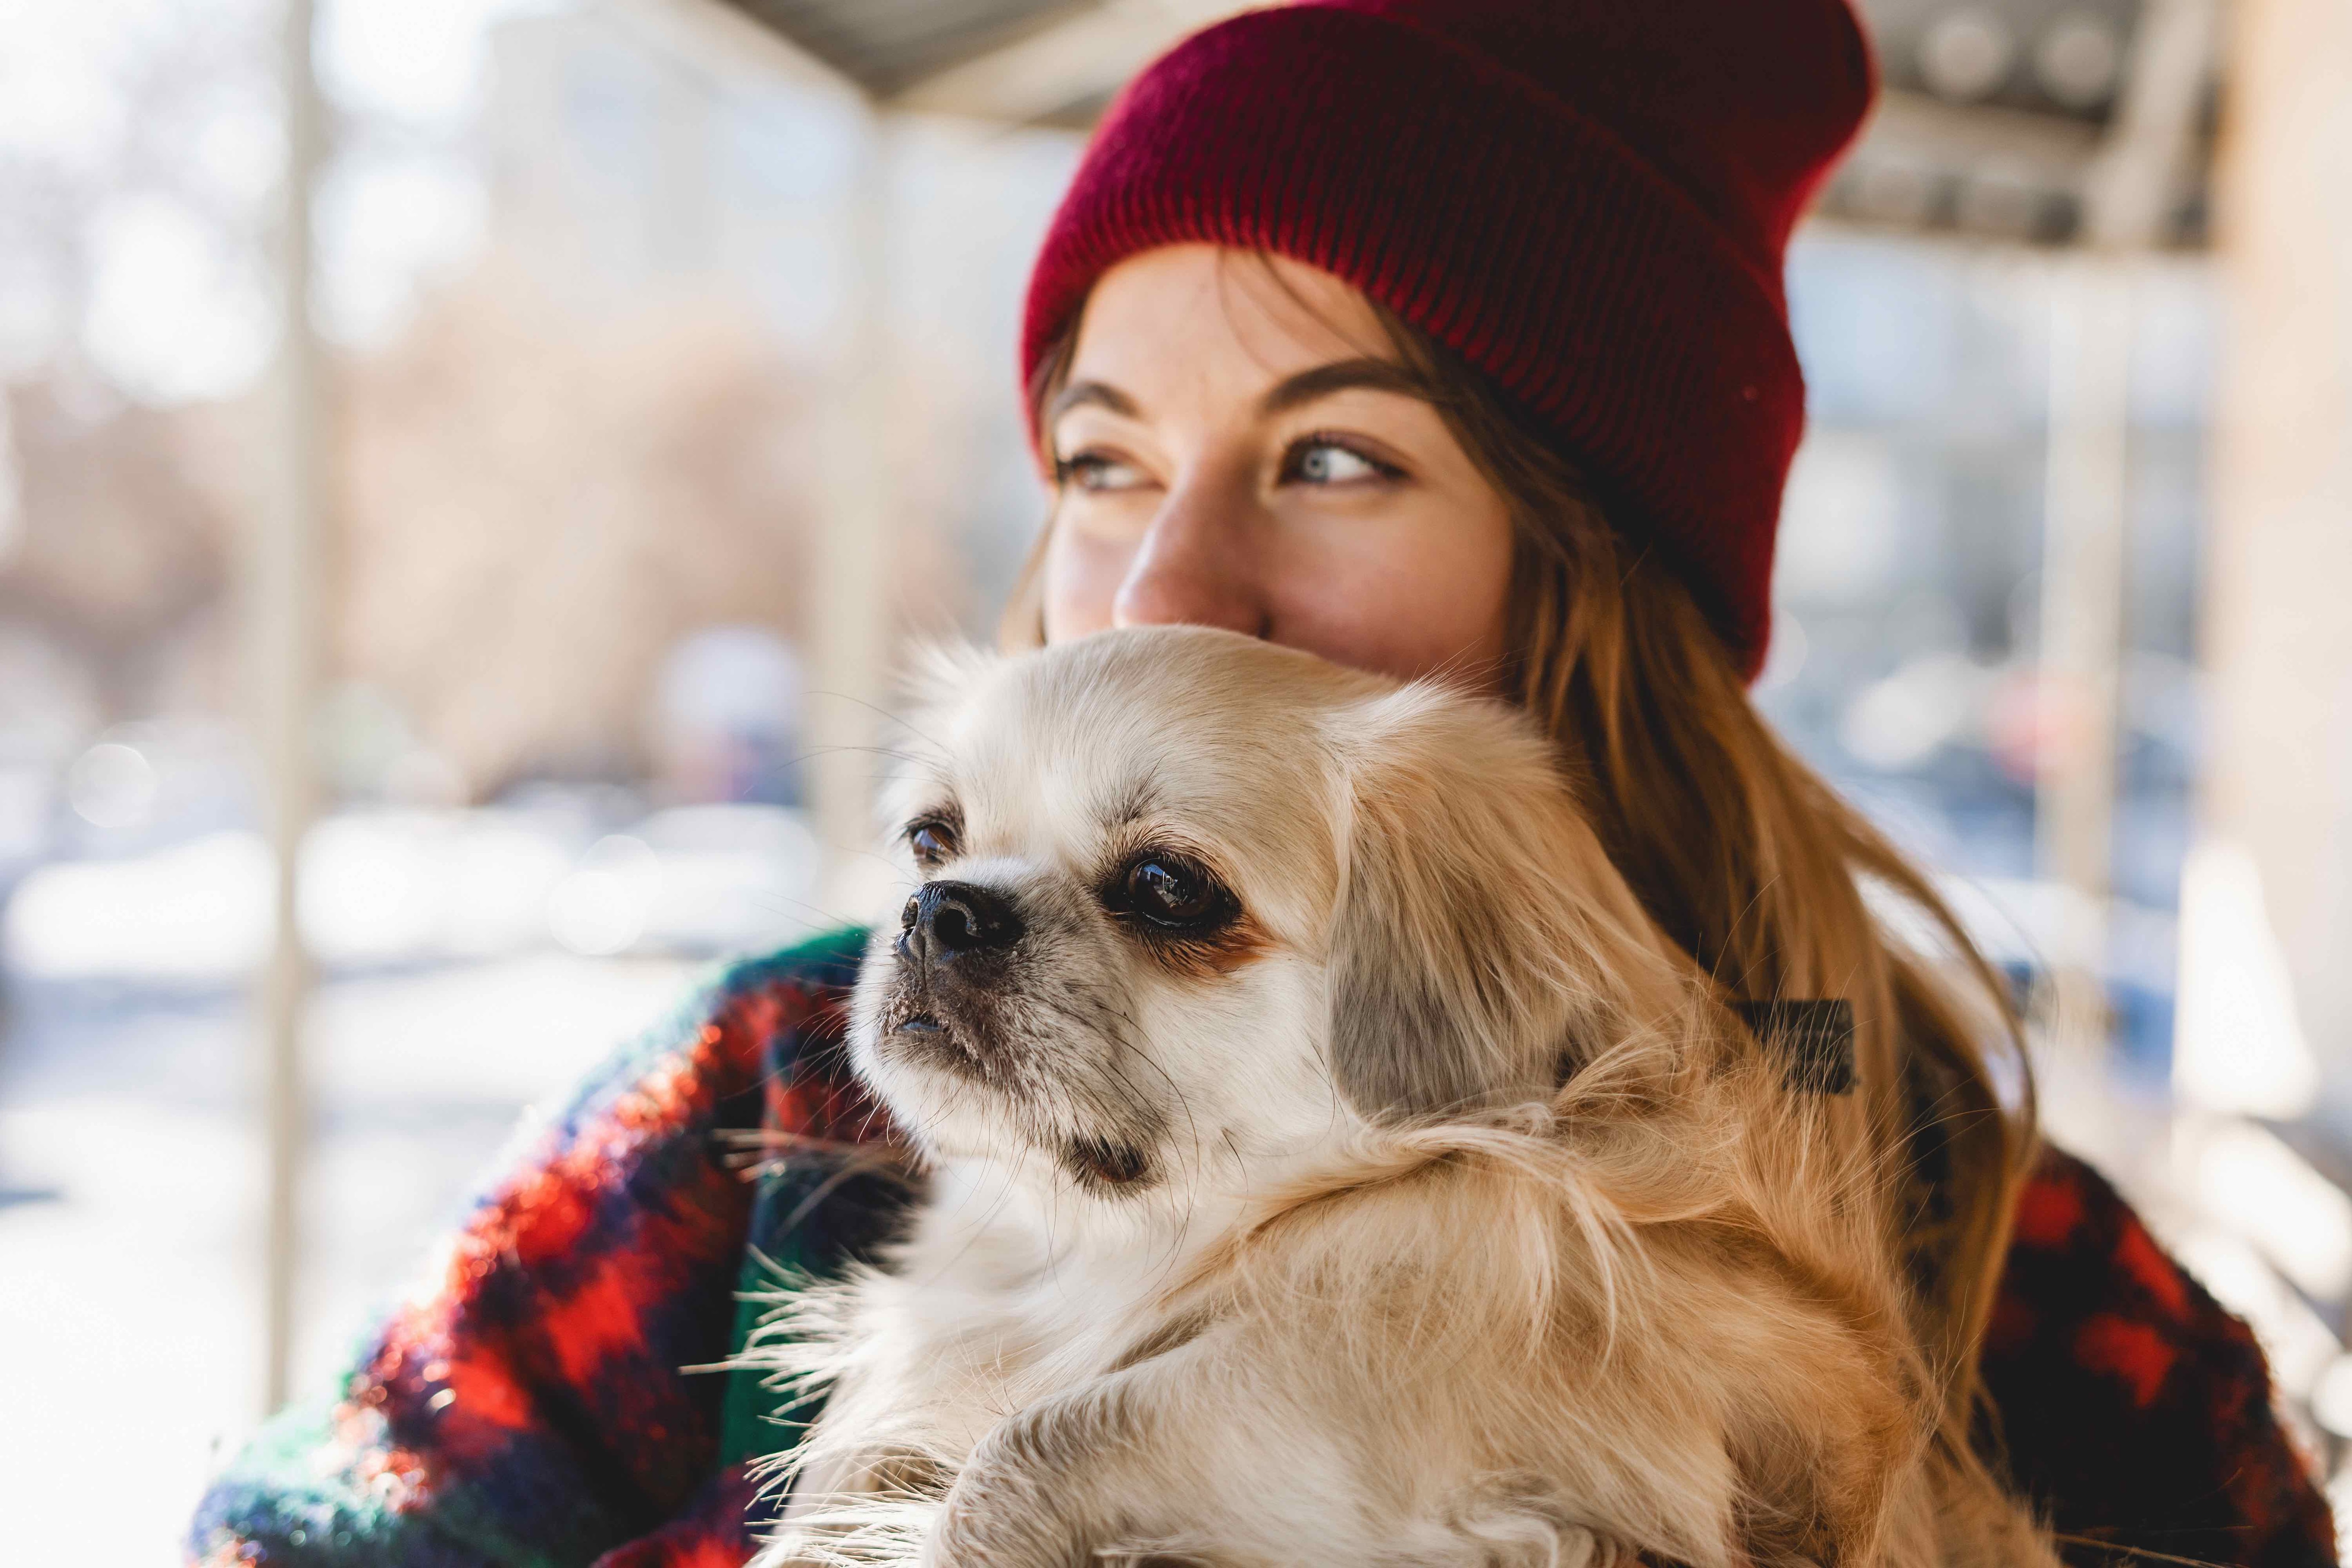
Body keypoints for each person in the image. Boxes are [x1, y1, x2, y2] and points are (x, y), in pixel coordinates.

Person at [189, 2, 2337, 1565]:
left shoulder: (2033, 1278)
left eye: (1333, 458)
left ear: (1598, 578)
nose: (1157, 573)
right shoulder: (755, 1107)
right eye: (1097, 454)